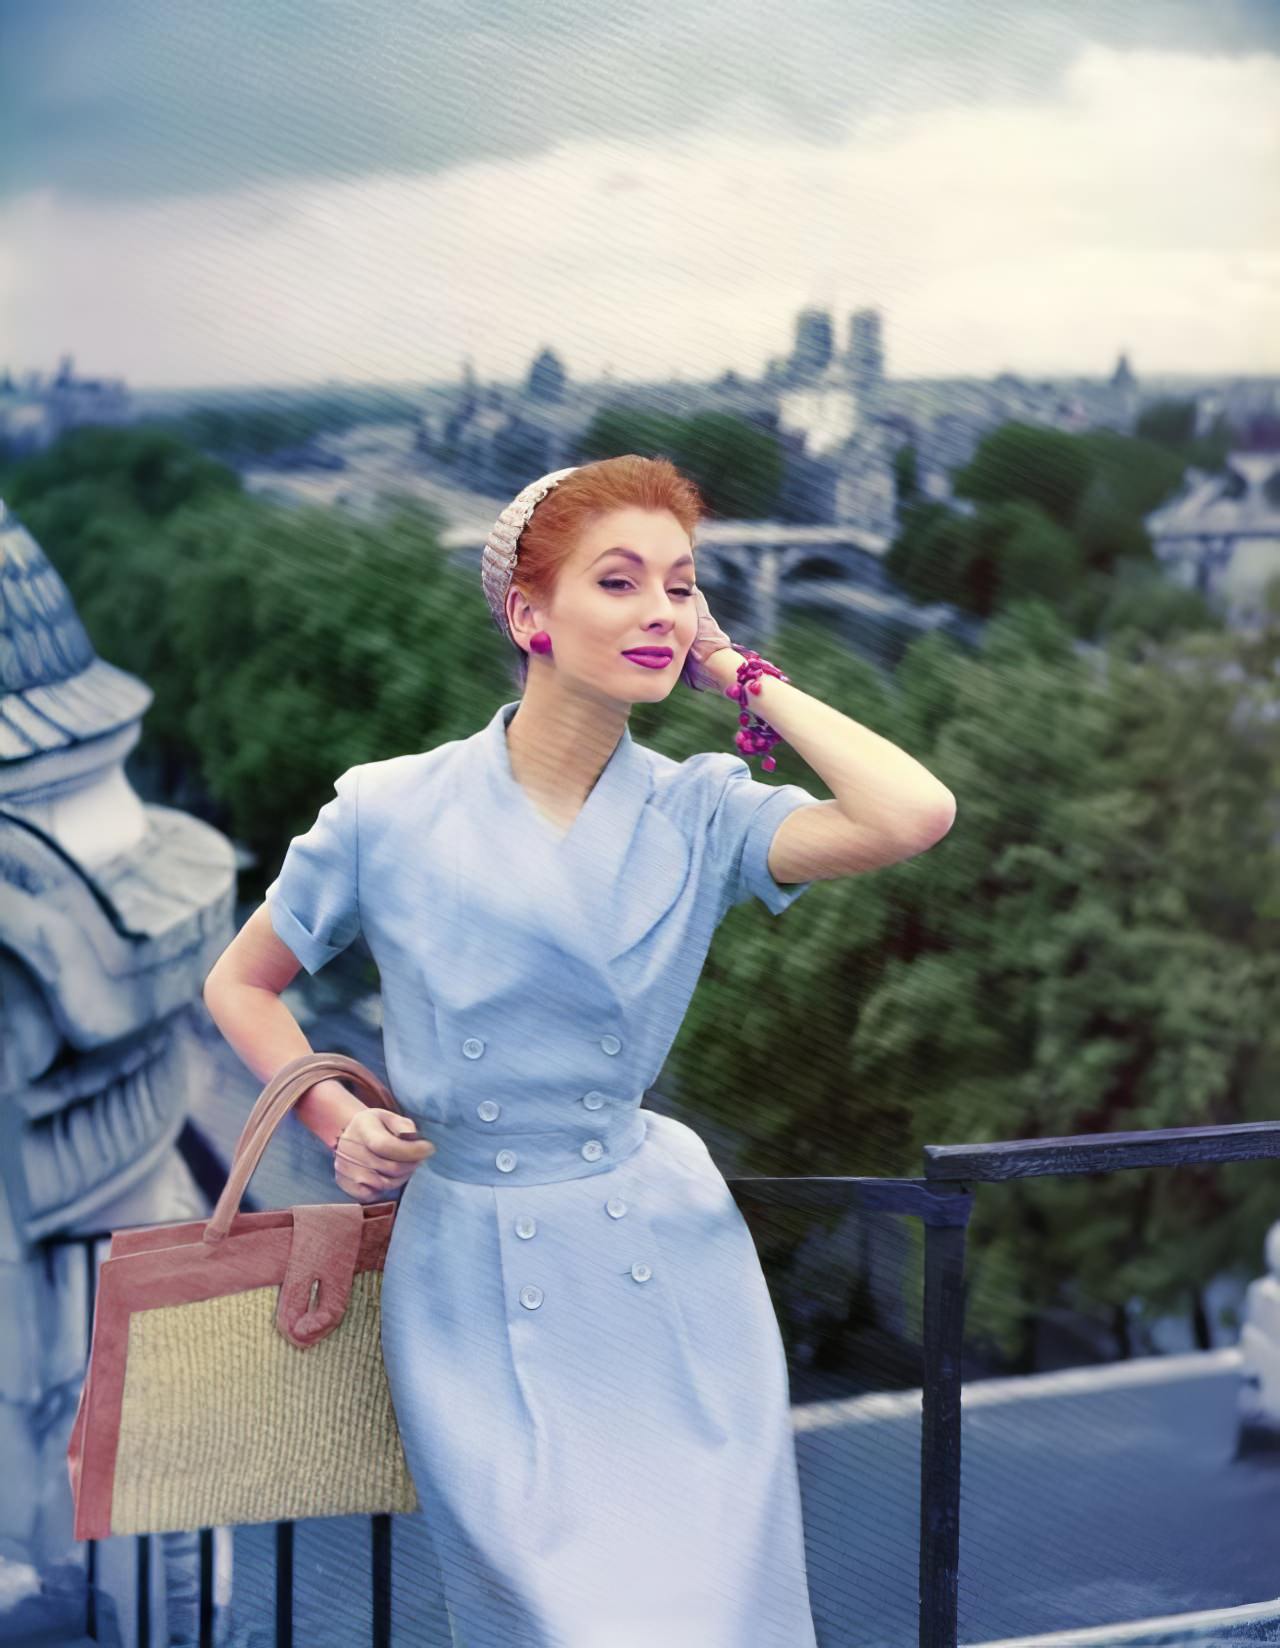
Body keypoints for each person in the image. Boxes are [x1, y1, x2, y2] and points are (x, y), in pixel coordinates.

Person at [202, 454, 956, 1646]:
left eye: (680, 585)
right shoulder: (387, 809)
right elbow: (240, 983)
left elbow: (910, 813)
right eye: (619, 581)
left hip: (663, 1261)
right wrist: (341, 1127)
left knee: (708, 1612)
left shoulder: (704, 808)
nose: (658, 610)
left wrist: (731, 665)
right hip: (467, 1270)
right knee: (553, 1612)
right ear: (526, 613)